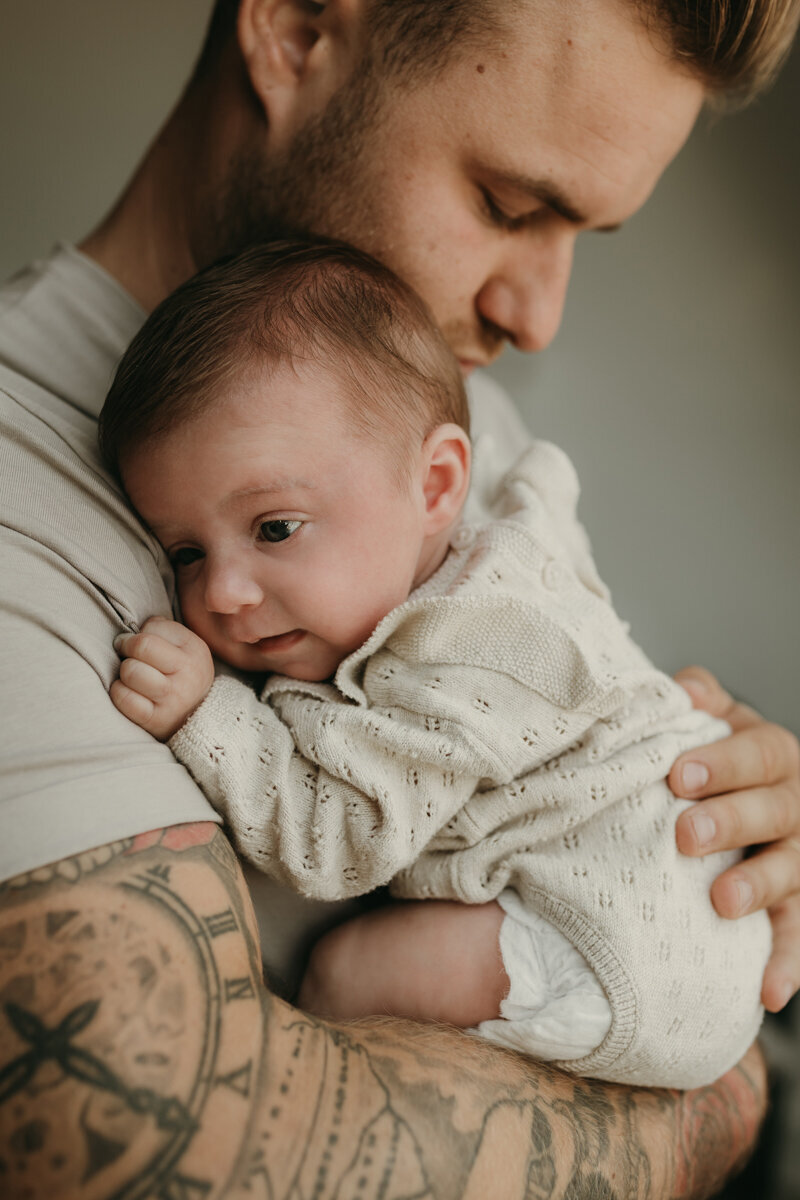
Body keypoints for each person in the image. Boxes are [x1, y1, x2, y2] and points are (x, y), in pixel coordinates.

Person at [1, 0, 799, 1195]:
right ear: (298, 29)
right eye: (509, 206)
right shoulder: (19, 495)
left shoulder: (458, 446)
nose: (535, 315)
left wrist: (731, 843)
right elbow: (169, 1155)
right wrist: (728, 1086)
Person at [102, 236, 771, 1090]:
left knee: (346, 978)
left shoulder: (470, 651)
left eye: (274, 528)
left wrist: (208, 712)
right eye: (185, 552)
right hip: (692, 918)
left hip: (635, 940)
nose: (223, 593)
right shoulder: (475, 543)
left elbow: (340, 842)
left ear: (434, 485)